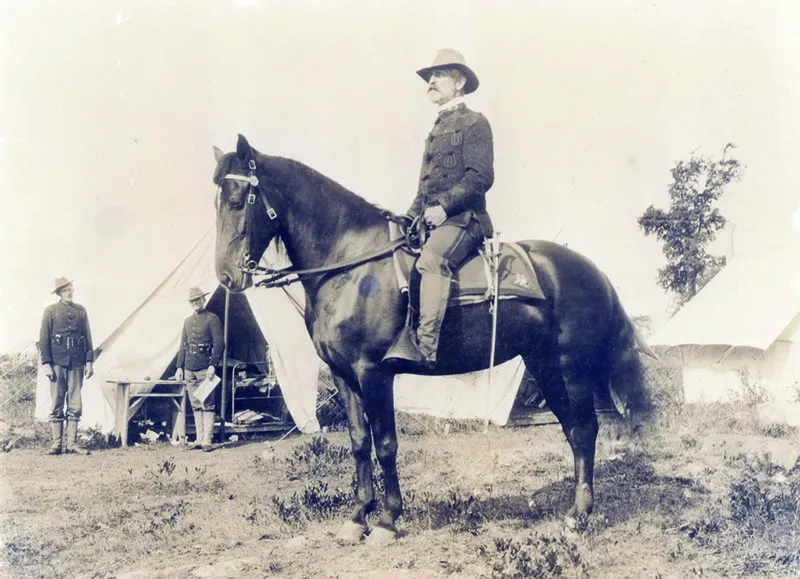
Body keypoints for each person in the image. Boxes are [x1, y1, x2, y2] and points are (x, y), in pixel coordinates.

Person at [384, 48, 495, 372]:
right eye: (429, 77)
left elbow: (480, 177)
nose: (430, 81)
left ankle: (425, 349)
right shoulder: (435, 129)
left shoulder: (475, 122)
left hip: (466, 219)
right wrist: (406, 218)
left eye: (439, 75)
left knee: (431, 262)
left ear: (458, 82)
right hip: (433, 221)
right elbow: (425, 188)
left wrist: (444, 208)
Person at [39, 278, 94, 455]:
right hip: (57, 362)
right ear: (59, 293)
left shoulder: (81, 311)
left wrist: (89, 362)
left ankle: (72, 443)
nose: (69, 292)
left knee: (75, 402)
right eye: (65, 290)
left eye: (70, 289)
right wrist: (46, 363)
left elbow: (88, 337)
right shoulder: (51, 311)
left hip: (77, 362)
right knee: (56, 402)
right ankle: (56, 444)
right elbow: (44, 338)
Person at [174, 287, 223, 451]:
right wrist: (179, 367)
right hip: (190, 367)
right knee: (195, 404)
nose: (195, 303)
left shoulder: (212, 319)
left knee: (207, 403)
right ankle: (199, 439)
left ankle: (207, 440)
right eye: (192, 301)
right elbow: (183, 346)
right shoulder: (187, 321)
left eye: (198, 300)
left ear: (203, 300)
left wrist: (212, 365)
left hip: (205, 367)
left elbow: (219, 344)